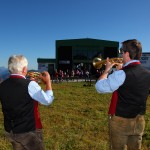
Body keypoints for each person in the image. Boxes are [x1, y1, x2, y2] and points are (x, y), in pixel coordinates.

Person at [95, 39, 150, 150]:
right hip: (139, 120)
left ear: (127, 54)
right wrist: (122, 70)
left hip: (121, 121)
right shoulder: (147, 73)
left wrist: (106, 70)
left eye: (122, 51)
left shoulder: (121, 74)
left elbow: (99, 87)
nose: (120, 54)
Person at [0, 55, 54, 150]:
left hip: (11, 130)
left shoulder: (2, 85)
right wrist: (48, 82)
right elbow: (48, 100)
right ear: (25, 69)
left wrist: (31, 84)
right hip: (28, 131)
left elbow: (16, 93)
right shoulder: (30, 85)